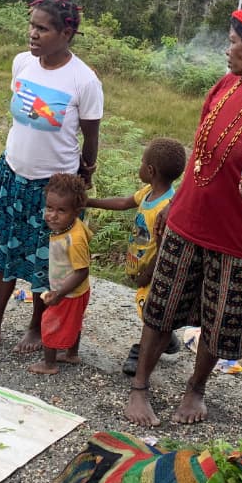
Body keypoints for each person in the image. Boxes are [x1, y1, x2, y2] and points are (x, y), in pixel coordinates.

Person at [124, 1, 242, 427]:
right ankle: (140, 386)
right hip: (187, 221)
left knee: (219, 319)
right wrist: (177, 204)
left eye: (233, 42)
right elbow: (203, 153)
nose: (227, 50)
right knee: (161, 308)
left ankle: (195, 390)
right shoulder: (226, 85)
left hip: (238, 236)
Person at [0, 0, 103, 354]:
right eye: (32, 26)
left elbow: (91, 138)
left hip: (53, 188)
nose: (33, 34)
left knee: (47, 261)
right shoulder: (22, 63)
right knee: (6, 256)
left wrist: (83, 181)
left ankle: (37, 328)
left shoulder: (83, 81)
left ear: (66, 33)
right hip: (12, 174)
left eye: (43, 29)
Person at [86, 136, 188, 375]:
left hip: (153, 275)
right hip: (141, 268)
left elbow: (163, 250)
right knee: (147, 313)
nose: (139, 166)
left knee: (149, 312)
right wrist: (90, 201)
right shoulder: (149, 193)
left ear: (150, 170)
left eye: (142, 162)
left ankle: (141, 352)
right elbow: (124, 202)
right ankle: (167, 340)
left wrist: (148, 274)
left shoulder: (165, 209)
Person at [27, 173, 93, 375]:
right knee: (75, 322)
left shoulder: (74, 239)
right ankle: (71, 354)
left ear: (76, 211)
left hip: (69, 292)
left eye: (61, 210)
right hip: (77, 291)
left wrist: (59, 294)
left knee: (49, 323)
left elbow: (82, 271)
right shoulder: (72, 226)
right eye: (49, 208)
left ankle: (49, 364)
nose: (53, 215)